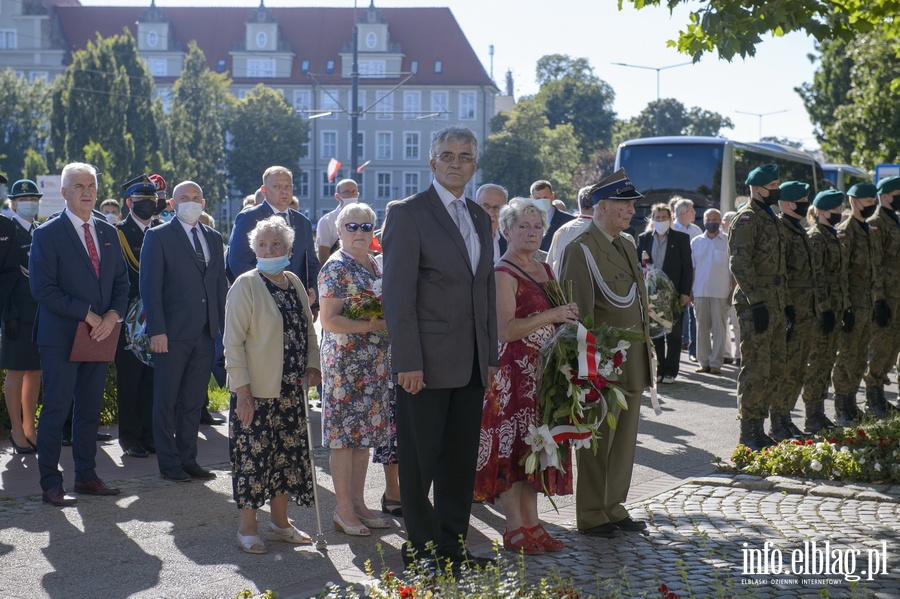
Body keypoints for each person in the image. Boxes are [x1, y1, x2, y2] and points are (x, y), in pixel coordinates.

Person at [382, 125, 498, 568]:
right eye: (447, 155)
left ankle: (452, 547)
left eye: (465, 156)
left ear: (473, 165)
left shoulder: (478, 216)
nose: (455, 162)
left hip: (470, 364)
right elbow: (397, 294)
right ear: (432, 163)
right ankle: (422, 549)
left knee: (458, 463)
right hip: (424, 365)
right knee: (419, 463)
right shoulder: (408, 213)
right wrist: (407, 359)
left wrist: (489, 357)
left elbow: (483, 290)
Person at [473, 197, 578, 554]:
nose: (532, 233)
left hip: (542, 375)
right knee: (514, 453)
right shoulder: (503, 273)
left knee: (537, 452)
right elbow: (505, 330)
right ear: (505, 231)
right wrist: (552, 316)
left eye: (537, 227)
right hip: (513, 376)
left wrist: (567, 318)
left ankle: (533, 524)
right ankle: (514, 528)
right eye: (523, 226)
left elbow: (555, 317)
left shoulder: (544, 268)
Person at [559, 168, 652, 538]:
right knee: (598, 442)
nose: (631, 211)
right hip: (603, 366)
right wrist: (588, 371)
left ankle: (614, 506)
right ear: (601, 206)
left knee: (624, 441)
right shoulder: (579, 249)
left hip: (632, 361)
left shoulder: (626, 244)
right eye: (624, 204)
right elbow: (578, 317)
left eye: (632, 205)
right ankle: (593, 513)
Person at [29, 162, 130, 506]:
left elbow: (121, 282)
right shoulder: (47, 233)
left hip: (100, 335)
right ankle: (51, 483)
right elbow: (42, 288)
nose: (87, 192)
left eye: (91, 186)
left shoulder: (108, 232)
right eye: (78, 186)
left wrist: (113, 315)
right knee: (57, 409)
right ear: (64, 193)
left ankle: (86, 476)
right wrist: (86, 313)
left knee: (89, 409)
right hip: (60, 336)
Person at [225, 215, 321, 554]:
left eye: (276, 244)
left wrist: (313, 364)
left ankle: (280, 525)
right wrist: (243, 392)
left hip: (291, 390)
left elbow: (308, 330)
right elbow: (232, 343)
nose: (270, 249)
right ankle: (247, 529)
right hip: (257, 391)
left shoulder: (293, 281)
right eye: (263, 244)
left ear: (289, 249)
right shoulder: (246, 284)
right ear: (253, 249)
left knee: (287, 459)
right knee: (253, 459)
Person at [140, 180, 227, 482]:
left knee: (192, 400)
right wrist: (157, 330)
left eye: (196, 197)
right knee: (166, 399)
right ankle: (168, 462)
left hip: (205, 333)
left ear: (203, 203)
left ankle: (188, 458)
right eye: (184, 198)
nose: (191, 202)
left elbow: (219, 286)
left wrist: (224, 329)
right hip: (171, 333)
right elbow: (150, 287)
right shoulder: (158, 236)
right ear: (173, 204)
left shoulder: (214, 237)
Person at [318, 202, 392, 537]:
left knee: (364, 439)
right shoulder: (336, 267)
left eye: (366, 226)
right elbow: (329, 320)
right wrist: (373, 324)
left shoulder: (375, 265)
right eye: (352, 226)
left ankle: (360, 504)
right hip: (346, 365)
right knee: (343, 441)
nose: (360, 232)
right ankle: (343, 509)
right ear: (339, 230)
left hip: (373, 363)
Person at [728, 164, 788, 451]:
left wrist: (785, 304)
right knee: (756, 368)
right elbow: (739, 263)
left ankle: (761, 428)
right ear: (757, 188)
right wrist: (756, 302)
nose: (777, 190)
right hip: (756, 304)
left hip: (775, 301)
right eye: (773, 185)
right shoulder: (747, 218)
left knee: (775, 365)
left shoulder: (771, 218)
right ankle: (748, 430)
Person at [228, 167, 320, 315]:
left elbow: (311, 263)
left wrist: (313, 296)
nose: (284, 191)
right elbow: (238, 262)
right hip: (261, 303)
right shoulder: (249, 218)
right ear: (264, 190)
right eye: (277, 186)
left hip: (297, 304)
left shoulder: (303, 222)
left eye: (287, 186)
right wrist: (266, 290)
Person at [114, 175, 161, 458]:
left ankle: (149, 434)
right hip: (130, 318)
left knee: (152, 378)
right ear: (129, 203)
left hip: (156, 315)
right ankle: (130, 437)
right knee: (130, 378)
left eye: (151, 200)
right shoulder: (118, 233)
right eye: (142, 200)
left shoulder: (162, 231)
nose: (148, 204)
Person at [770, 181, 814, 441]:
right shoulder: (781, 231)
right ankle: (777, 422)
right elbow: (781, 274)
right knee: (786, 367)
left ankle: (786, 417)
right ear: (787, 203)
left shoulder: (799, 229)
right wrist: (786, 308)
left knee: (798, 367)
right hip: (791, 309)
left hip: (806, 309)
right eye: (801, 200)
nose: (805, 204)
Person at [800, 189, 848, 433]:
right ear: (819, 212)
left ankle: (819, 414)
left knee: (827, 361)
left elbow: (840, 277)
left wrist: (844, 306)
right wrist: (824, 309)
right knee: (817, 363)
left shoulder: (833, 235)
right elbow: (815, 278)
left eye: (840, 209)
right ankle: (812, 416)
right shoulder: (816, 237)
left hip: (835, 308)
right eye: (834, 210)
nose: (838, 213)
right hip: (822, 313)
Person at [831, 182, 878, 425]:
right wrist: (846, 307)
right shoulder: (846, 231)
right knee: (846, 357)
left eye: (874, 201)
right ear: (854, 202)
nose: (873, 206)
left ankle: (851, 402)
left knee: (860, 357)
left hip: (868, 304)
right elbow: (841, 272)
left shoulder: (868, 229)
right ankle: (840, 407)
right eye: (868, 202)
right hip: (852, 306)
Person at [2, 179, 42, 454]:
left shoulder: (40, 230)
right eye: (25, 199)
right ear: (13, 203)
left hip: (40, 312)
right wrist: (9, 314)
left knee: (36, 371)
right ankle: (16, 429)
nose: (31, 203)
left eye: (34, 198)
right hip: (16, 311)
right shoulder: (6, 228)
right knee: (16, 371)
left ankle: (30, 426)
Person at [637, 203, 692, 384]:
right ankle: (659, 369)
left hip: (674, 294)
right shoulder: (644, 238)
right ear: (652, 219)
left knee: (674, 334)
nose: (660, 221)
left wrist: (685, 292)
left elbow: (687, 268)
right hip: (652, 295)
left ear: (670, 219)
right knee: (656, 333)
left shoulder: (681, 238)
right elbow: (638, 265)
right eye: (657, 217)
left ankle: (671, 371)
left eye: (663, 217)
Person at [862, 176, 900, 416]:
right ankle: (872, 397)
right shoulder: (875, 223)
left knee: (893, 347)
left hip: (898, 295)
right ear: (884, 196)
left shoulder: (894, 220)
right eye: (897, 193)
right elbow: (873, 264)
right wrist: (879, 299)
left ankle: (880, 395)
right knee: (881, 345)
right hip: (886, 296)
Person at [691, 209, 731, 376]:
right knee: (701, 329)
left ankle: (716, 364)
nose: (711, 222)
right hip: (700, 291)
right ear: (704, 220)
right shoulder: (696, 242)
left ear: (720, 221)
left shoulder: (728, 241)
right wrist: (690, 290)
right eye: (708, 219)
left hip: (721, 291)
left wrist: (732, 291)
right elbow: (692, 268)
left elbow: (733, 269)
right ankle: (704, 362)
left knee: (720, 329)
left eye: (715, 219)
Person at [672, 197, 702, 362]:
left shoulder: (696, 230)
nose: (695, 213)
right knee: (675, 315)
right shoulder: (671, 229)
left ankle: (693, 349)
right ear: (684, 213)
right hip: (675, 277)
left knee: (692, 314)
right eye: (692, 210)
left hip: (692, 275)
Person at [546, 186, 594, 277]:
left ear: (579, 204)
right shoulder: (603, 231)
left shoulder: (562, 230)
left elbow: (549, 266)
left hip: (560, 287)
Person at [316, 178, 359, 265]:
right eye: (347, 192)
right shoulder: (327, 221)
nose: (351, 195)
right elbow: (324, 256)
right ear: (337, 196)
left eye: (354, 192)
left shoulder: (365, 218)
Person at [531, 180, 574, 252]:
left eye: (545, 198)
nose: (542, 201)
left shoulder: (569, 221)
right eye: (538, 198)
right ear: (532, 198)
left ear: (552, 196)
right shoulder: (525, 220)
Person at [721, 210, 741, 366]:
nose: (722, 223)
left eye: (725, 220)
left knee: (736, 325)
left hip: (735, 291)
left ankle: (739, 354)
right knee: (722, 327)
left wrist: (733, 291)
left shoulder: (738, 241)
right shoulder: (718, 240)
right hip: (719, 289)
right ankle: (726, 353)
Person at [475, 183, 508, 264]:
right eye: (485, 206)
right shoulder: (465, 239)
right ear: (475, 206)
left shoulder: (509, 242)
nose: (490, 213)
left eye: (496, 207)